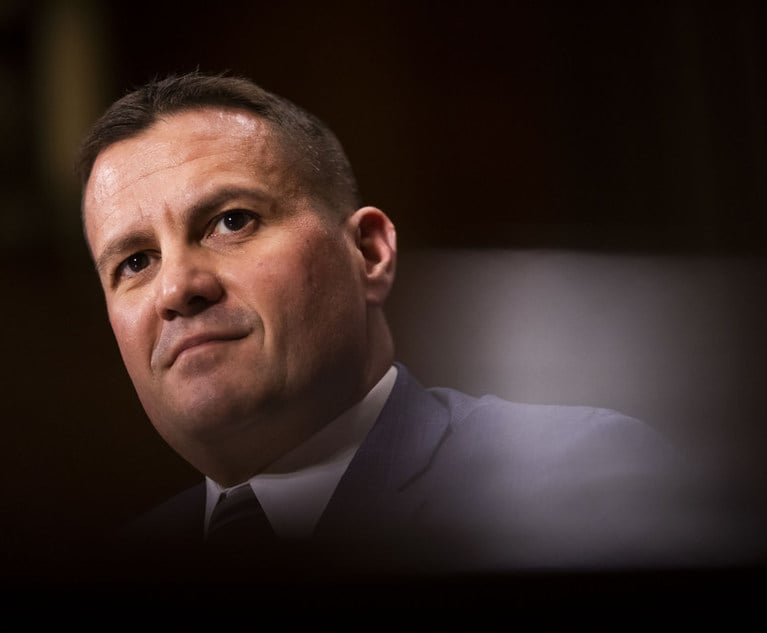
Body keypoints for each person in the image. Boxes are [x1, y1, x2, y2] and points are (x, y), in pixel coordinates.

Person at [74, 71, 755, 597]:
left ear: (369, 253)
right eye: (134, 262)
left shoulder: (580, 484)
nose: (176, 288)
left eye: (231, 221)